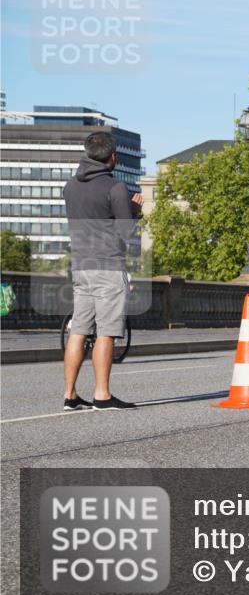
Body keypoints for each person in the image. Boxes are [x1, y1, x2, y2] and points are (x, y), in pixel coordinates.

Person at [62, 131, 142, 411]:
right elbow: (125, 231)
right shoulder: (115, 187)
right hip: (107, 266)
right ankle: (102, 395)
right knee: (106, 331)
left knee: (79, 331)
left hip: (80, 266)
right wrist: (133, 210)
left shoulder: (70, 186)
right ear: (113, 157)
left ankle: (70, 395)